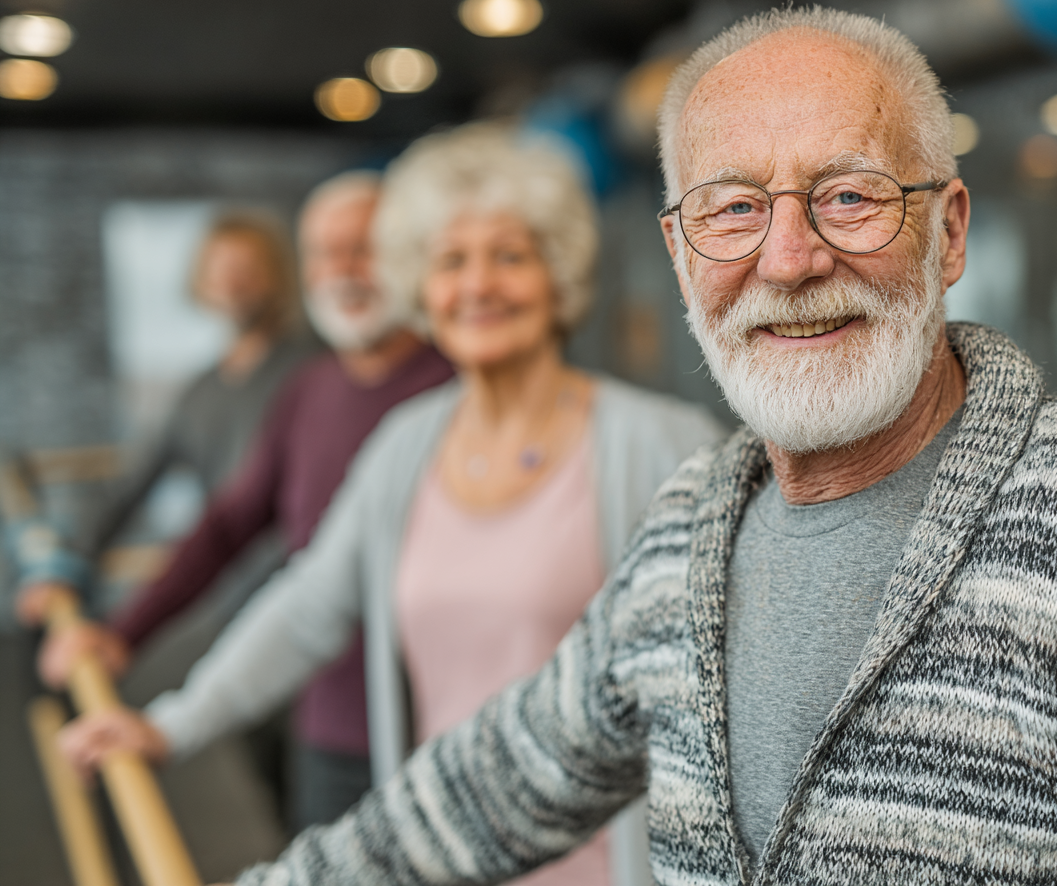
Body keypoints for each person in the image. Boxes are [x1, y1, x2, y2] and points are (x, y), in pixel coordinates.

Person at [70, 7, 1057, 885]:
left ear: (949, 231)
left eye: (848, 195)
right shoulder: (689, 527)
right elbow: (496, 779)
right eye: (733, 210)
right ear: (681, 256)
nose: (788, 259)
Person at [59, 122, 724, 885]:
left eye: (510, 256)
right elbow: (308, 607)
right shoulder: (406, 443)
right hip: (446, 857)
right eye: (450, 261)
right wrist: (171, 724)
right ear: (419, 288)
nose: (478, 285)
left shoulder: (661, 444)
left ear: (559, 275)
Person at [37, 169, 456, 828]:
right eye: (325, 253)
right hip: (329, 725)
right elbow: (230, 524)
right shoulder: (307, 389)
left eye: (364, 249)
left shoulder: (458, 386)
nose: (343, 270)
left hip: (450, 730)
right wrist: (122, 633)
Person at [13, 209, 316, 621]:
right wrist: (65, 565)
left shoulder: (314, 373)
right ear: (201, 280)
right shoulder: (198, 394)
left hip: (304, 587)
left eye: (247, 268)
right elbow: (132, 484)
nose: (233, 282)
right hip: (234, 597)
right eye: (221, 268)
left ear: (276, 277)